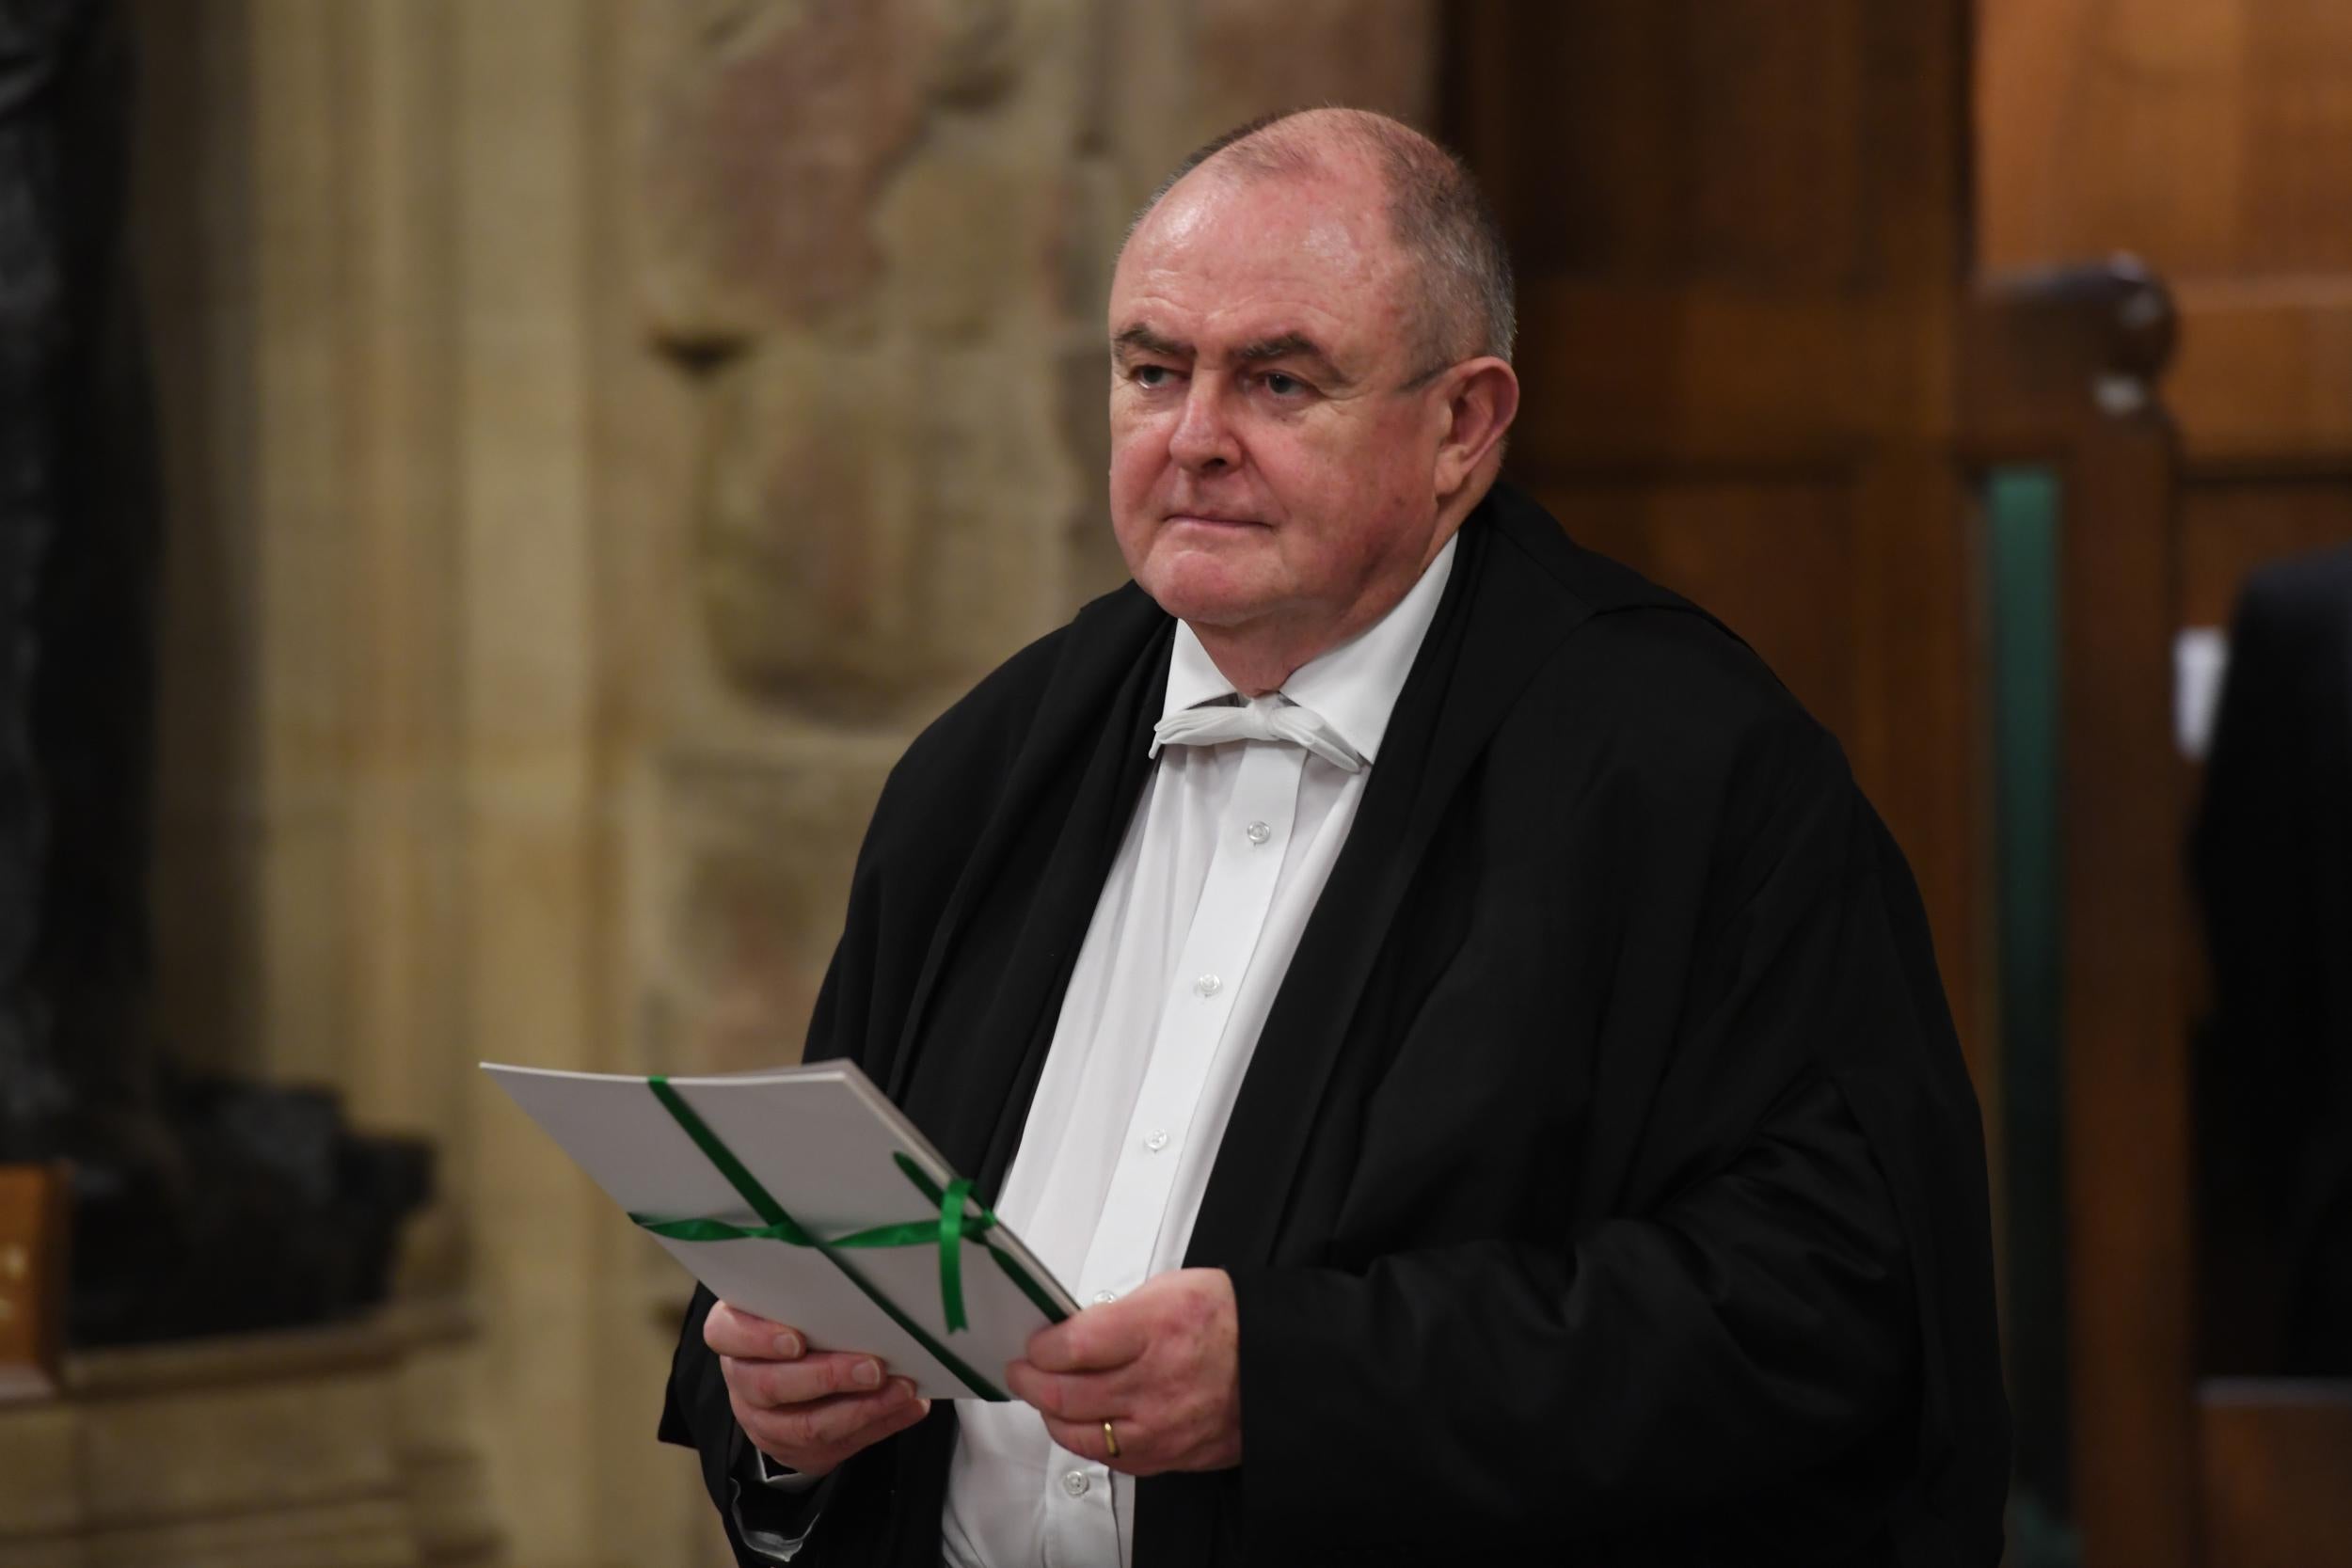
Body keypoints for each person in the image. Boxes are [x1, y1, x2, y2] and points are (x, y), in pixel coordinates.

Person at [660, 106, 2009, 1566]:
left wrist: (1298, 1380)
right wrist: (779, 1414)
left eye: (1279, 380)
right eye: (1151, 370)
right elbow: (824, 1243)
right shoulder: (987, 766)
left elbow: (1827, 1312)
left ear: (1462, 427)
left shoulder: (1690, 769)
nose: (1193, 439)